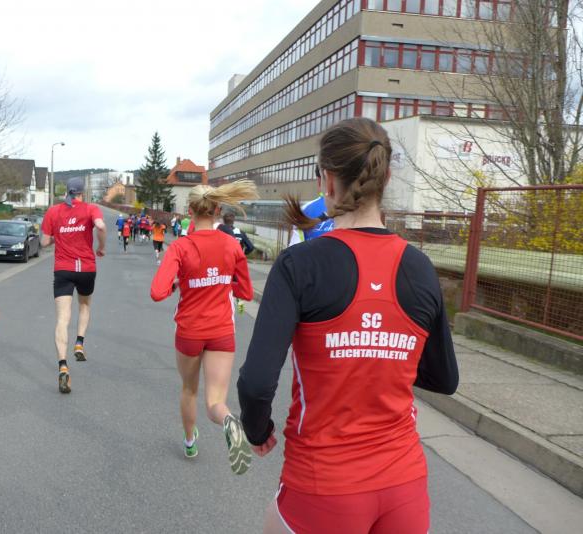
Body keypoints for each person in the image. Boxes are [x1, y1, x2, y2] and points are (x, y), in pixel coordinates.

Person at [237, 118, 459, 534]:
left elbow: (256, 383)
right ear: (386, 177)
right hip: (405, 489)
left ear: (326, 179)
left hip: (323, 486)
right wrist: (382, 354)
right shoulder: (420, 268)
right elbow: (445, 379)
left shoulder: (299, 265)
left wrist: (257, 430)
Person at [150, 179, 258, 474]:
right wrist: (222, 281)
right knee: (215, 402)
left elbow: (157, 292)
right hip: (222, 331)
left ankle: (189, 442)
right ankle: (229, 421)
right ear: (218, 210)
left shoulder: (180, 247)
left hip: (189, 331)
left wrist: (178, 283)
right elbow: (246, 293)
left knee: (189, 390)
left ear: (189, 211)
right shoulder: (232, 245)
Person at [41, 177, 106, 394]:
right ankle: (79, 342)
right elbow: (101, 226)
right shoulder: (91, 208)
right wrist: (101, 247)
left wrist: (56, 237)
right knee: (84, 305)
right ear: (82, 192)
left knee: (62, 318)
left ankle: (63, 366)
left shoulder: (53, 211)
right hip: (86, 268)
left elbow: (44, 242)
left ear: (66, 192)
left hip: (63, 269)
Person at [217, 211, 255, 314]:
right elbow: (251, 247)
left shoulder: (219, 231)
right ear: (234, 220)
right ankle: (241, 309)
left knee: (222, 286)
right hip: (237, 264)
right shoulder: (240, 232)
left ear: (223, 220)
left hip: (222, 264)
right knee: (238, 287)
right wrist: (243, 254)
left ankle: (222, 309)